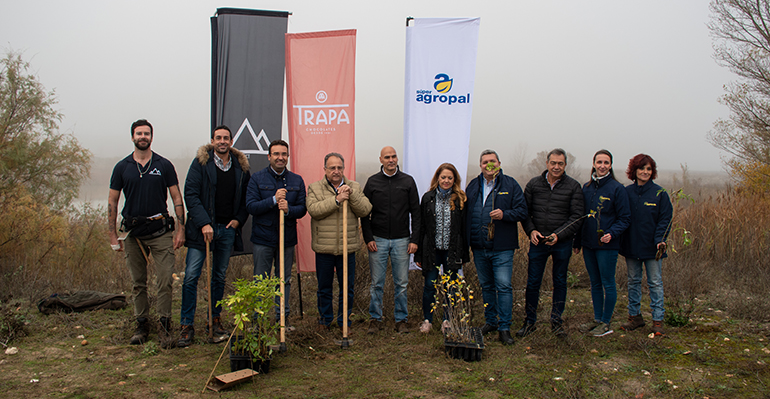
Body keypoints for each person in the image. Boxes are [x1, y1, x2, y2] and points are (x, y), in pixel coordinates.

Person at [108, 119, 185, 347]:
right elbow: (112, 201)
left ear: (152, 137)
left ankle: (164, 327)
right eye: (139, 133)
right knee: (138, 282)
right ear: (132, 137)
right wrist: (112, 234)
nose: (143, 136)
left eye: (147, 133)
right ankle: (141, 326)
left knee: (164, 281)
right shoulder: (122, 167)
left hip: (160, 230)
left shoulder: (164, 165)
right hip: (133, 234)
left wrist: (181, 229)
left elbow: (177, 198)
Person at [177, 125, 251, 347]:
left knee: (218, 277)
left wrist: (238, 220)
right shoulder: (201, 163)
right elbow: (190, 194)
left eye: (226, 138)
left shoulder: (241, 166)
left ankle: (215, 320)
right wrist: (204, 223)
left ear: (231, 141)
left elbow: (247, 197)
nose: (222, 141)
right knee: (191, 276)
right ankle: (186, 326)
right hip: (202, 231)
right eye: (218, 138)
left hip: (227, 230)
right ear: (212, 140)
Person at [518, 148, 584, 339]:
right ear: (546, 163)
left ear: (565, 165)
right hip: (538, 242)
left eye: (560, 164)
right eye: (553, 163)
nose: (556, 167)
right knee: (533, 282)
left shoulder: (573, 186)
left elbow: (577, 217)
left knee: (560, 281)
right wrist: (531, 231)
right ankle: (529, 322)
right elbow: (525, 212)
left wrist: (559, 234)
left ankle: (556, 322)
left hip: (561, 243)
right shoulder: (534, 184)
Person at [465, 149, 528, 345]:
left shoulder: (510, 184)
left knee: (503, 286)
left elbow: (522, 211)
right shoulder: (473, 186)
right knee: (487, 286)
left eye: (492, 161)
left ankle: (505, 327)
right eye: (485, 162)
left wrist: (505, 215)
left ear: (499, 163)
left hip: (502, 247)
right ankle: (491, 321)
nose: (488, 165)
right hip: (479, 246)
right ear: (480, 165)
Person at [306, 153, 372, 329]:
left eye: (339, 168)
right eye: (332, 168)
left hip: (347, 247)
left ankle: (344, 322)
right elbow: (314, 210)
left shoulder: (354, 186)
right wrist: (336, 200)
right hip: (324, 248)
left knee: (347, 288)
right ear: (325, 169)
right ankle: (325, 320)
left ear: (344, 168)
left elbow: (365, 210)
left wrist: (351, 195)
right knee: (324, 287)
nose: (336, 171)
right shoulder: (314, 188)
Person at [246, 140, 307, 327]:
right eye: (276, 154)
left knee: (284, 281)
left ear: (287, 157)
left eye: (284, 154)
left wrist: (289, 209)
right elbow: (251, 206)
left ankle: (282, 319)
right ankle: (259, 321)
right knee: (261, 280)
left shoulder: (297, 180)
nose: (280, 158)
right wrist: (273, 200)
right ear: (269, 156)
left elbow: (303, 208)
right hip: (263, 239)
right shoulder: (257, 178)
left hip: (286, 239)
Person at [361, 146, 420, 334]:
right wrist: (368, 237)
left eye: (394, 156)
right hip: (377, 240)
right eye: (387, 157)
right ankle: (375, 319)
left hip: (402, 240)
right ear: (381, 159)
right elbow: (364, 213)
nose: (391, 160)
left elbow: (416, 213)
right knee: (377, 283)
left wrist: (414, 239)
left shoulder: (408, 181)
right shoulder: (372, 182)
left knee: (401, 283)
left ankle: (401, 320)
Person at [573, 149, 631, 337]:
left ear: (611, 165)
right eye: (599, 162)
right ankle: (597, 319)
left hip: (607, 246)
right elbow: (582, 217)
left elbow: (624, 218)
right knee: (595, 282)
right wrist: (577, 241)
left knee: (608, 282)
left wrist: (611, 234)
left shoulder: (617, 189)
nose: (602, 166)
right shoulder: (587, 187)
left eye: (606, 163)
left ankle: (606, 322)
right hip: (589, 244)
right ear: (594, 164)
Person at [619, 154, 672, 336]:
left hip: (652, 248)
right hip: (632, 246)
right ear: (634, 171)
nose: (645, 172)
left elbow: (665, 219)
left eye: (649, 169)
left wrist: (660, 240)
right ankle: (635, 317)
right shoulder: (626, 192)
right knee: (633, 281)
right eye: (642, 168)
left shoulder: (660, 193)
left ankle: (657, 320)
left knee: (655, 283)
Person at [414, 163, 469, 334]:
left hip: (452, 251)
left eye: (450, 178)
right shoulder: (428, 198)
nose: (446, 180)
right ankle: (427, 320)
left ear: (455, 180)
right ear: (437, 178)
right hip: (432, 250)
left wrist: (464, 254)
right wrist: (418, 255)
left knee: (450, 287)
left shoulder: (460, 199)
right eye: (443, 177)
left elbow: (464, 229)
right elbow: (422, 226)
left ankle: (447, 320)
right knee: (430, 286)